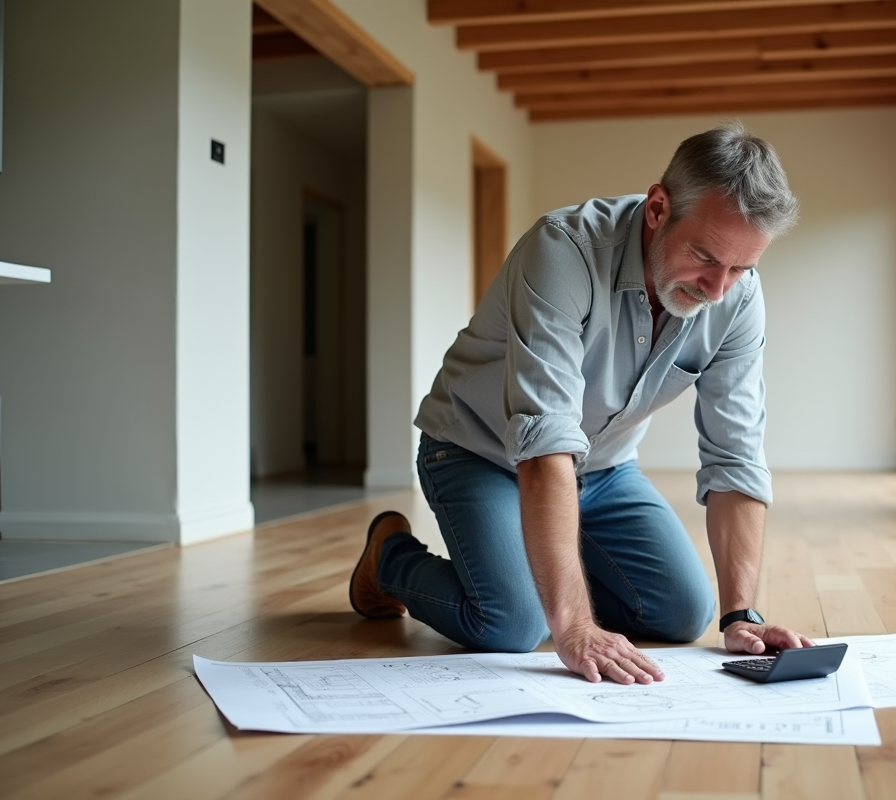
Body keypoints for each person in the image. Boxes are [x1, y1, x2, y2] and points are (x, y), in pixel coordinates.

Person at [349, 122, 814, 685]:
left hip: (604, 469)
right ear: (658, 207)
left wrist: (741, 614)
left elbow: (735, 454)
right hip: (478, 452)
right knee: (512, 625)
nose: (719, 289)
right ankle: (388, 555)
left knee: (684, 613)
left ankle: (546, 566)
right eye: (705, 257)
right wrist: (570, 624)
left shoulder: (737, 297)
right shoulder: (562, 250)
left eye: (741, 268)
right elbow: (544, 438)